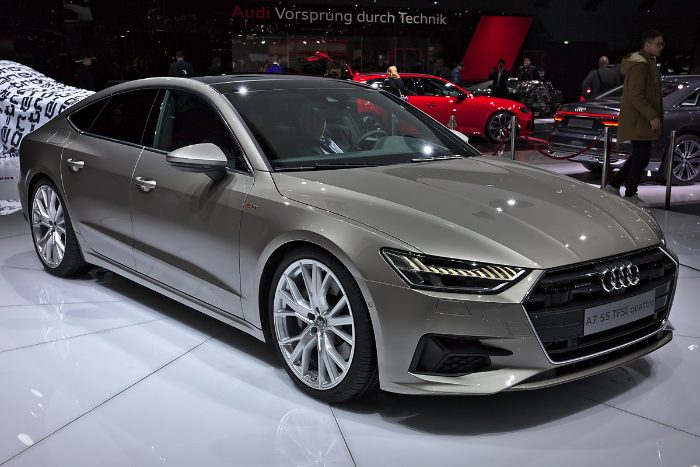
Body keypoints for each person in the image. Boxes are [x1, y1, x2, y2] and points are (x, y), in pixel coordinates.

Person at [603, 29, 665, 207]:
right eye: (658, 44)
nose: (661, 47)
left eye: (662, 44)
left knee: (640, 156)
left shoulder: (647, 62)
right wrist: (652, 115)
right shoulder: (640, 65)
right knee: (641, 156)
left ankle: (614, 186)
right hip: (640, 120)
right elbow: (636, 94)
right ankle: (630, 193)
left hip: (640, 119)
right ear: (647, 44)